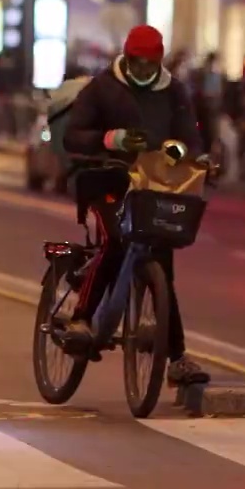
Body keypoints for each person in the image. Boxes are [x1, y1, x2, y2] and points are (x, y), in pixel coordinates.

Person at [61, 24, 210, 386]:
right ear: (126, 59)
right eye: (136, 64)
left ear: (159, 62)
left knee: (161, 261)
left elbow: (188, 137)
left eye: (149, 65)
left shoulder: (174, 91)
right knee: (114, 238)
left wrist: (182, 152)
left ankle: (177, 357)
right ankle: (81, 317)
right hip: (106, 180)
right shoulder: (102, 87)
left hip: (153, 185)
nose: (142, 71)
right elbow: (72, 135)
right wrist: (113, 139)